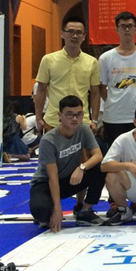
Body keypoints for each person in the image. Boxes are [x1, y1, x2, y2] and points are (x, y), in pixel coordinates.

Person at [29, 95, 105, 232]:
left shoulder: (84, 130)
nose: (75, 118)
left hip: (69, 179)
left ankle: (85, 210)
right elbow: (52, 177)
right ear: (60, 116)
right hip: (45, 183)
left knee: (100, 167)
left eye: (79, 114)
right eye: (69, 114)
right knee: (40, 210)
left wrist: (82, 167)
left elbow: (98, 155)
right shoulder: (48, 140)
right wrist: (58, 209)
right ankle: (48, 210)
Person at [35, 16, 100, 135]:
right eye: (70, 31)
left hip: (81, 122)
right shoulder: (48, 60)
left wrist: (94, 120)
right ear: (62, 34)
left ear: (84, 36)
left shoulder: (92, 62)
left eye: (79, 32)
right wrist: (38, 118)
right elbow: (41, 89)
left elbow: (95, 92)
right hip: (54, 121)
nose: (75, 36)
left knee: (83, 149)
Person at [99, 11, 136, 147]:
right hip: (113, 118)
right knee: (115, 155)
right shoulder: (106, 58)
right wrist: (113, 102)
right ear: (117, 29)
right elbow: (102, 88)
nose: (127, 29)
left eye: (130, 26)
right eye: (123, 26)